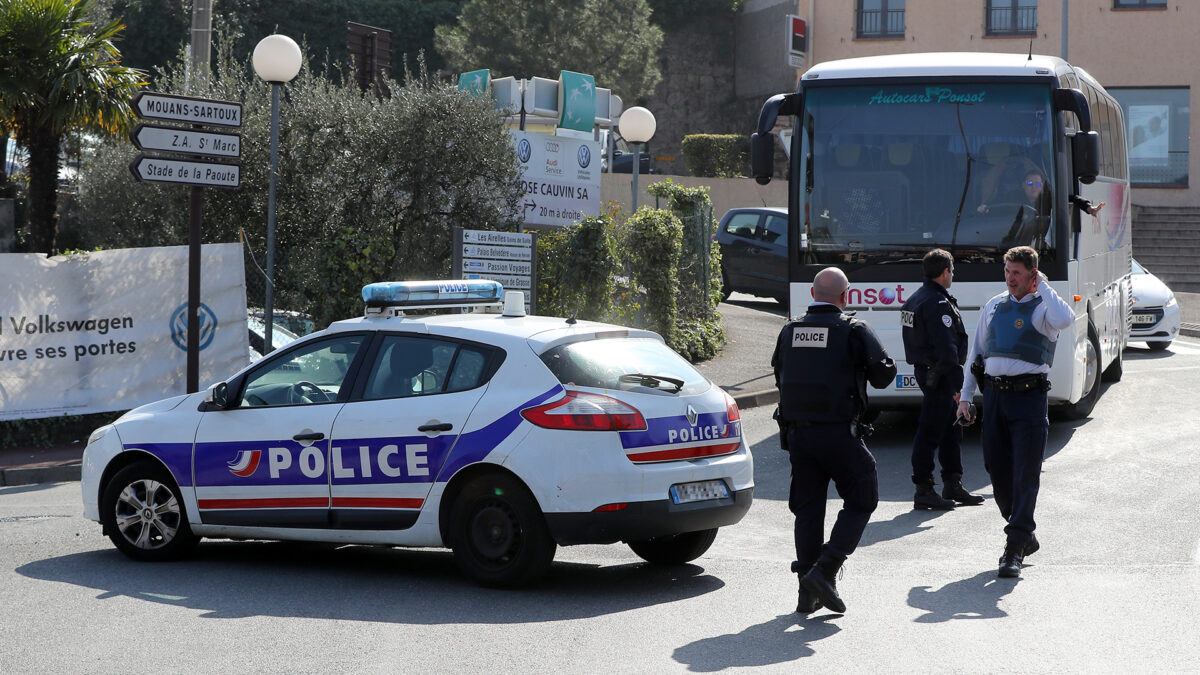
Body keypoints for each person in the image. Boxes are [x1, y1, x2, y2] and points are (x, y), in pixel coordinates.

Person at [772, 267, 897, 614]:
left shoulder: (790, 329)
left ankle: (806, 591)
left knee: (808, 511)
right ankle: (825, 570)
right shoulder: (853, 329)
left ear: (812, 293)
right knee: (863, 497)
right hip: (840, 433)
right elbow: (885, 375)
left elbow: (779, 371)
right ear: (846, 297)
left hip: (798, 435)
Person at [956, 246, 1074, 578]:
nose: (1010, 279)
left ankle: (1014, 546)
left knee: (1025, 472)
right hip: (994, 397)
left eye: (1017, 273)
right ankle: (1022, 529)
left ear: (1032, 276)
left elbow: (1066, 319)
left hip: (1028, 398)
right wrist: (966, 397)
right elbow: (976, 353)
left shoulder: (1044, 308)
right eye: (1007, 272)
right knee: (996, 468)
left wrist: (1045, 286)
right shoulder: (994, 305)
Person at [900, 249, 983, 511]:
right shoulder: (936, 303)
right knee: (930, 432)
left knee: (951, 430)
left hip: (930, 373)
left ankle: (952, 483)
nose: (953, 276)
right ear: (945, 272)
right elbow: (946, 348)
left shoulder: (914, 299)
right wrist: (959, 388)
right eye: (952, 271)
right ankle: (924, 489)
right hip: (941, 376)